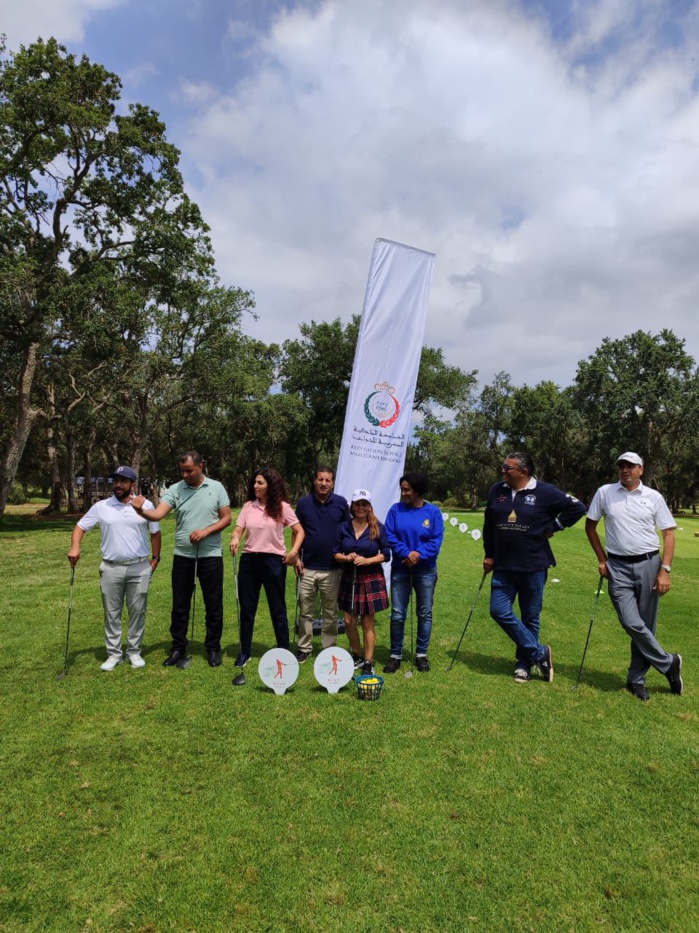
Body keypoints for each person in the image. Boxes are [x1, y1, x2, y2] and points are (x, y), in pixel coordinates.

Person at [585, 452, 683, 701]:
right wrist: (601, 558)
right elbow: (590, 525)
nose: (625, 470)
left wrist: (665, 570)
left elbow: (669, 534)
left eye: (630, 466)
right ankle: (668, 662)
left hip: (650, 564)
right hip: (617, 566)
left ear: (641, 469)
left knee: (645, 626)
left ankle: (636, 679)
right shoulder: (605, 492)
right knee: (631, 622)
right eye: (621, 466)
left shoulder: (653, 497)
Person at [483, 452, 586, 683]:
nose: (503, 472)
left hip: (534, 565)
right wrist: (489, 554)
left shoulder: (545, 491)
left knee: (530, 616)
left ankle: (524, 665)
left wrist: (555, 525)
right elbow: (488, 524)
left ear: (523, 471)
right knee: (498, 610)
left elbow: (578, 508)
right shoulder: (497, 490)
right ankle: (540, 653)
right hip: (503, 565)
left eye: (507, 468)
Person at [132, 451, 231, 668]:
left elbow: (227, 519)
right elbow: (158, 515)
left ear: (200, 466)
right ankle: (178, 647)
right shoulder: (176, 489)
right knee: (180, 605)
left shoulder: (216, 487)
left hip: (211, 556)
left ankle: (213, 648)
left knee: (213, 604)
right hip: (183, 556)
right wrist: (141, 511)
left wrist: (205, 532)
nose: (185, 475)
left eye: (189, 470)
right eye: (182, 471)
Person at [67, 465, 161, 670]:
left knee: (138, 611)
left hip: (139, 567)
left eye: (123, 481)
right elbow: (80, 527)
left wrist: (155, 558)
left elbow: (155, 532)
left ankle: (134, 652)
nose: (118, 485)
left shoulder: (146, 504)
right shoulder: (101, 507)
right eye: (115, 481)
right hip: (111, 568)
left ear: (132, 484)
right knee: (112, 612)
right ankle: (114, 654)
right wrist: (75, 546)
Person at [230, 468, 304, 667]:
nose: (255, 486)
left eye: (260, 483)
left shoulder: (282, 507)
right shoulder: (248, 506)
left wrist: (294, 552)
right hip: (249, 561)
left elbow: (299, 531)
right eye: (255, 482)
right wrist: (236, 537)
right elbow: (238, 529)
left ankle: (284, 651)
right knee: (247, 609)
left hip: (274, 562)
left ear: (270, 485)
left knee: (277, 608)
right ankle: (244, 652)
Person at [383, 473, 444, 673]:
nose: (403, 493)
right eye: (402, 489)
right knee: (398, 614)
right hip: (401, 569)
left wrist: (417, 555)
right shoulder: (395, 510)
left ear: (418, 490)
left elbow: (435, 541)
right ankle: (395, 655)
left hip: (425, 570)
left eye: (407, 489)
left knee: (424, 613)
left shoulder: (433, 512)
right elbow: (390, 536)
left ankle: (421, 655)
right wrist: (406, 553)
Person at [294, 466, 350, 663]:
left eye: (327, 480)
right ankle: (304, 647)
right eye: (320, 479)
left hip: (332, 568)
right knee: (305, 611)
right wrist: (296, 558)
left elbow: (348, 531)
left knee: (330, 613)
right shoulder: (303, 504)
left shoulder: (341, 503)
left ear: (332, 482)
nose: (323, 483)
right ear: (314, 481)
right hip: (307, 566)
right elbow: (296, 531)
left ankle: (329, 647)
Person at [333, 489, 390, 675]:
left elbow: (386, 554)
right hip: (349, 578)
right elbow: (335, 553)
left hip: (370, 578)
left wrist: (368, 560)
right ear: (352, 506)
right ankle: (356, 655)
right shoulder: (343, 527)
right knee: (349, 620)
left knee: (367, 622)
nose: (361, 507)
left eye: (364, 504)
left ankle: (368, 661)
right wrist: (346, 557)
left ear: (369, 507)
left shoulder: (378, 527)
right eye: (357, 504)